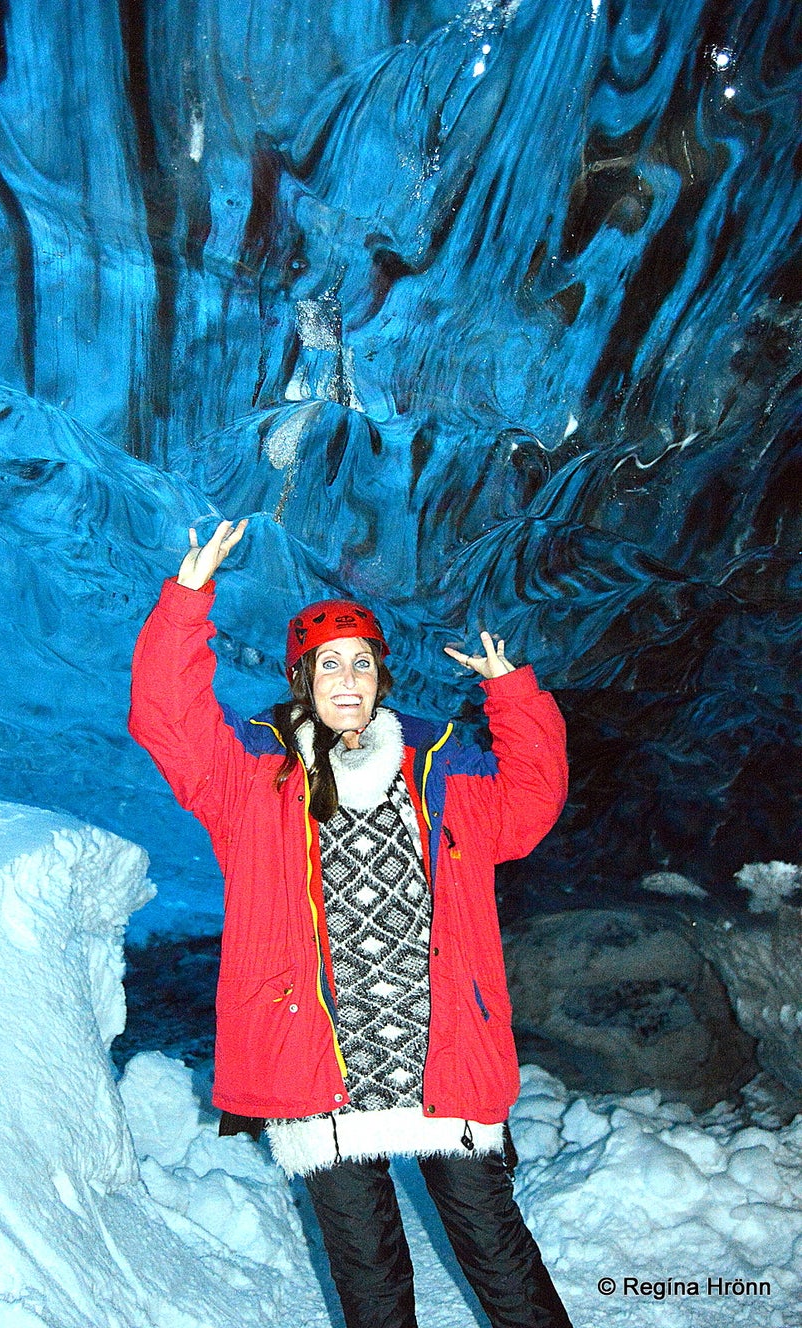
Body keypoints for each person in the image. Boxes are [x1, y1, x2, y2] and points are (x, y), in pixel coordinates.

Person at [129, 518, 573, 1328]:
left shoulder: (441, 777)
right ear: (302, 677)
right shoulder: (252, 780)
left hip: (441, 1051)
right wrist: (185, 604)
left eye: (361, 663)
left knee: (496, 1248)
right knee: (366, 1273)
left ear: (379, 678)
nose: (346, 677)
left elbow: (532, 805)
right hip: (315, 1057)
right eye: (328, 663)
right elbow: (168, 719)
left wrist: (513, 696)